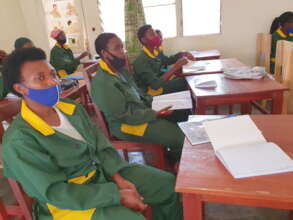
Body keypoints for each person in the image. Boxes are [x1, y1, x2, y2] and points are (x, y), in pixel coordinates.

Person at [1, 47, 183, 220]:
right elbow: (55, 192)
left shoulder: (72, 109)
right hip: (68, 202)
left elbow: (101, 145)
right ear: (21, 89)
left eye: (53, 74)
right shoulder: (19, 141)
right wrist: (116, 195)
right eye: (40, 78)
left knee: (167, 185)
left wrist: (118, 179)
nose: (53, 82)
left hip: (102, 173)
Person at [91, 33, 186, 164]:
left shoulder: (120, 71)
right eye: (117, 48)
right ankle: (177, 164)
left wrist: (154, 102)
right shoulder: (103, 82)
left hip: (142, 110)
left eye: (122, 47)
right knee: (179, 137)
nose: (123, 52)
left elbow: (138, 93)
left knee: (183, 111)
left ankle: (173, 155)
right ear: (104, 53)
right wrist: (154, 113)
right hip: (126, 124)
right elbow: (123, 116)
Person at [133, 24, 196, 96]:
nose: (156, 36)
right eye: (152, 34)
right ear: (144, 40)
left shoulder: (155, 51)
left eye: (155, 33)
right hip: (152, 92)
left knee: (186, 77)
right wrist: (176, 66)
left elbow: (166, 60)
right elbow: (155, 85)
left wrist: (181, 54)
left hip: (160, 82)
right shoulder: (141, 61)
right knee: (186, 82)